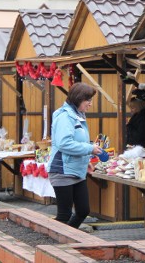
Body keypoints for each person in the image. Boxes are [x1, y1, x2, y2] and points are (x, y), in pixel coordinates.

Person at [47, 83, 102, 229]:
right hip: (62, 170)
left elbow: (77, 142)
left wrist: (86, 160)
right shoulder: (65, 117)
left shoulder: (78, 115)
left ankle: (66, 238)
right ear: (78, 99)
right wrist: (90, 149)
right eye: (88, 100)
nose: (90, 104)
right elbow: (64, 143)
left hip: (77, 170)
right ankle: (55, 243)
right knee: (64, 214)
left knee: (83, 210)